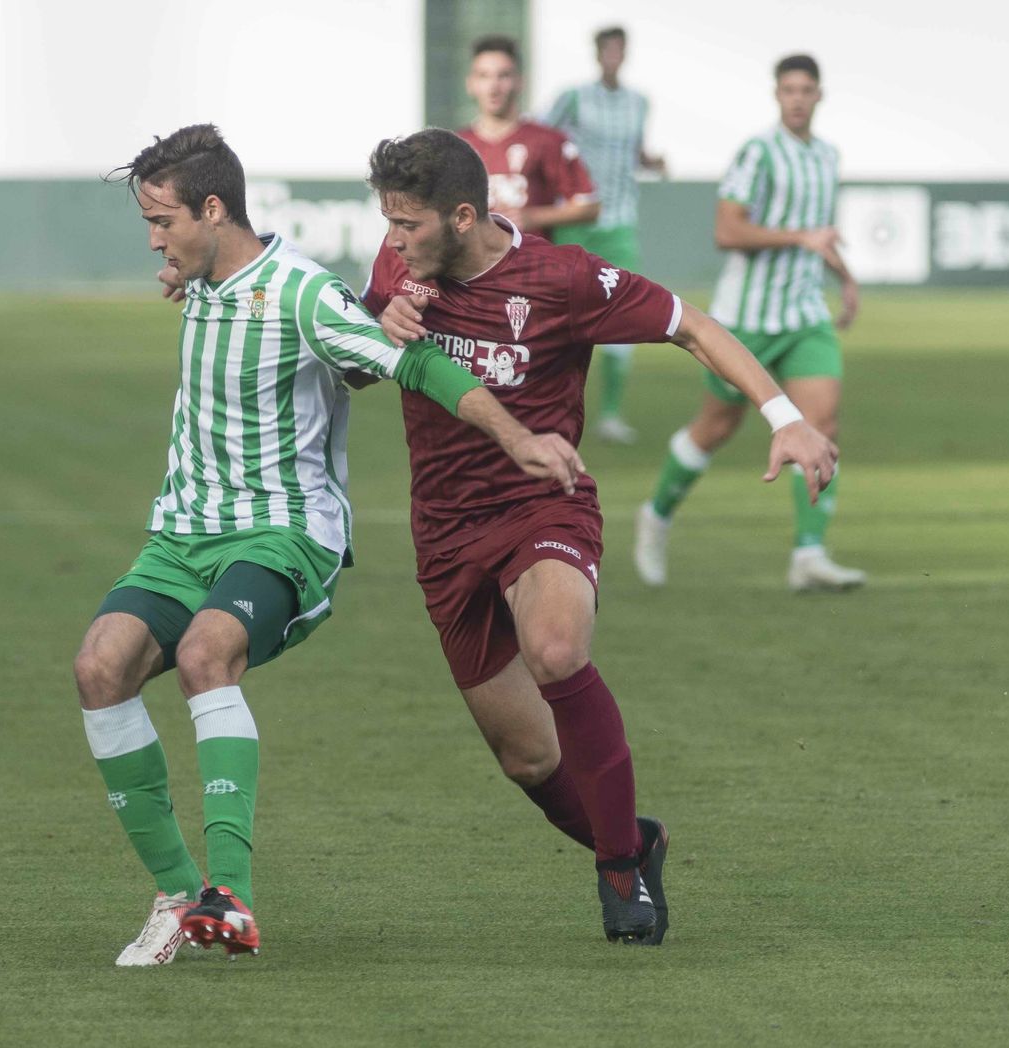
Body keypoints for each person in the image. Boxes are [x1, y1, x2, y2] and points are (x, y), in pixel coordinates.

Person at [80, 123, 546, 966]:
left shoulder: (303, 294)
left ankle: (230, 895)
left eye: (163, 221)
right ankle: (177, 894)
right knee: (99, 669)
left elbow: (418, 368)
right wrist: (183, 272)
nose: (154, 239)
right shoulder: (203, 277)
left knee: (204, 654)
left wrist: (518, 438)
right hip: (183, 532)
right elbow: (213, 289)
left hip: (284, 532)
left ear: (214, 209)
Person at [363, 128, 838, 944]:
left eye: (408, 225)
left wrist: (785, 416)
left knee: (555, 649)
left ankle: (618, 871)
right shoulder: (399, 260)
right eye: (390, 225)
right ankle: (637, 840)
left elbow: (694, 325)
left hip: (544, 503)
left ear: (465, 215)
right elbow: (365, 326)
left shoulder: (564, 278)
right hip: (444, 534)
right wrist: (385, 311)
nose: (394, 240)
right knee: (530, 762)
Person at [634, 54, 865, 592]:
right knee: (716, 427)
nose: (798, 98)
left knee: (822, 423)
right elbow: (727, 230)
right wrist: (800, 238)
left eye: (807, 88)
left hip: (804, 314)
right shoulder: (758, 153)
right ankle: (657, 514)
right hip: (747, 319)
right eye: (789, 89)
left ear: (819, 95)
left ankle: (809, 554)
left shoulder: (828, 156)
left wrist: (845, 277)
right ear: (777, 94)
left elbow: (818, 232)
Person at [544, 26, 667, 445]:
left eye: (619, 49)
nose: (613, 55)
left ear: (625, 54)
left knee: (624, 313)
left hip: (620, 222)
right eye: (607, 49)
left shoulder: (639, 103)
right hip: (577, 218)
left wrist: (652, 160)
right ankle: (543, 402)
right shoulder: (573, 97)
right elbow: (541, 139)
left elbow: (634, 152)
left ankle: (611, 414)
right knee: (554, 315)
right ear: (598, 54)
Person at [458, 35, 598, 242]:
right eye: (484, 76)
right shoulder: (457, 146)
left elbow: (589, 206)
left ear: (519, 81)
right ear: (471, 84)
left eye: (503, 75)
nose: (493, 86)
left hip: (532, 265)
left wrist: (534, 216)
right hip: (472, 269)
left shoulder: (547, 140)